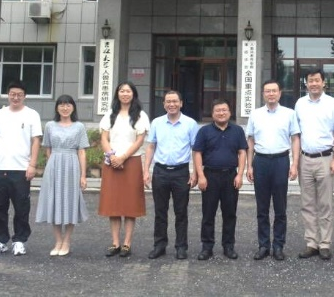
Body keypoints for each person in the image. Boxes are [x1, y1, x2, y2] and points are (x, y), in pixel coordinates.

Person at [0, 80, 43, 257]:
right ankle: (0, 240)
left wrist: (32, 164)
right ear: (8, 95)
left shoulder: (32, 115)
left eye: (19, 95)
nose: (15, 97)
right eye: (12, 94)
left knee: (21, 207)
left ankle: (19, 240)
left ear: (24, 96)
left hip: (21, 168)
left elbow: (36, 141)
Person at [246, 80, 300, 261]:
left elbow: (295, 139)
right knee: (262, 207)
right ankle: (263, 245)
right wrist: (249, 165)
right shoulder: (255, 114)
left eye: (274, 91)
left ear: (280, 93)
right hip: (260, 161)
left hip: (280, 161)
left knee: (280, 207)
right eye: (267, 91)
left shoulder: (289, 114)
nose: (271, 94)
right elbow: (250, 141)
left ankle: (278, 245)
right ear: (263, 94)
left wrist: (294, 164)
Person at [295, 68, 334, 260]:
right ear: (306, 83)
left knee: (325, 204)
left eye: (317, 80)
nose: (314, 83)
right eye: (310, 80)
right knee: (307, 204)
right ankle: (311, 243)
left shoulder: (333, 103)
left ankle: (324, 243)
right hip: (305, 159)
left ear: (324, 83)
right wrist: (295, 162)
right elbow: (296, 134)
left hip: (325, 158)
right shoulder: (300, 103)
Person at [144, 90, 198, 260]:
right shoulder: (157, 123)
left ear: (181, 103)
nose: (171, 104)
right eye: (168, 101)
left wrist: (195, 172)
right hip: (160, 171)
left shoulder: (190, 124)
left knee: (181, 212)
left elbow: (195, 149)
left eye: (175, 101)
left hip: (181, 172)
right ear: (164, 104)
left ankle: (181, 247)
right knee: (160, 211)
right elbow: (151, 146)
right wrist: (146, 170)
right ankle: (159, 245)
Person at [99, 81, 150, 258]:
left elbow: (139, 140)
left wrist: (123, 157)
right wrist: (112, 156)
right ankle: (115, 243)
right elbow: (104, 138)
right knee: (113, 204)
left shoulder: (140, 115)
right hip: (111, 163)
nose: (125, 94)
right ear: (117, 94)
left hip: (131, 162)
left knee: (130, 205)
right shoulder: (110, 114)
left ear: (133, 94)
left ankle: (127, 243)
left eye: (128, 91)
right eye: (122, 91)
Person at [193, 98, 248, 260]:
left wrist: (240, 174)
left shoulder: (237, 130)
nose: (221, 113)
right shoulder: (204, 131)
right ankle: (207, 247)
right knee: (208, 214)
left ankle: (228, 246)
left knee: (230, 213)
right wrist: (201, 176)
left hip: (230, 176)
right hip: (210, 175)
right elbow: (197, 153)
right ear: (212, 113)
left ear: (230, 112)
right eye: (218, 110)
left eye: (224, 110)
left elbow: (242, 152)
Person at [35, 95, 89, 256]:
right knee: (54, 201)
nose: (65, 108)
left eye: (68, 105)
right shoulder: (50, 126)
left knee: (71, 202)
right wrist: (50, 168)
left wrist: (83, 175)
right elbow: (48, 149)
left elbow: (82, 152)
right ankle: (58, 240)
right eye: (62, 105)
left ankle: (67, 241)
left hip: (72, 165)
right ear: (57, 108)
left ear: (73, 107)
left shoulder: (79, 127)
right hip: (54, 165)